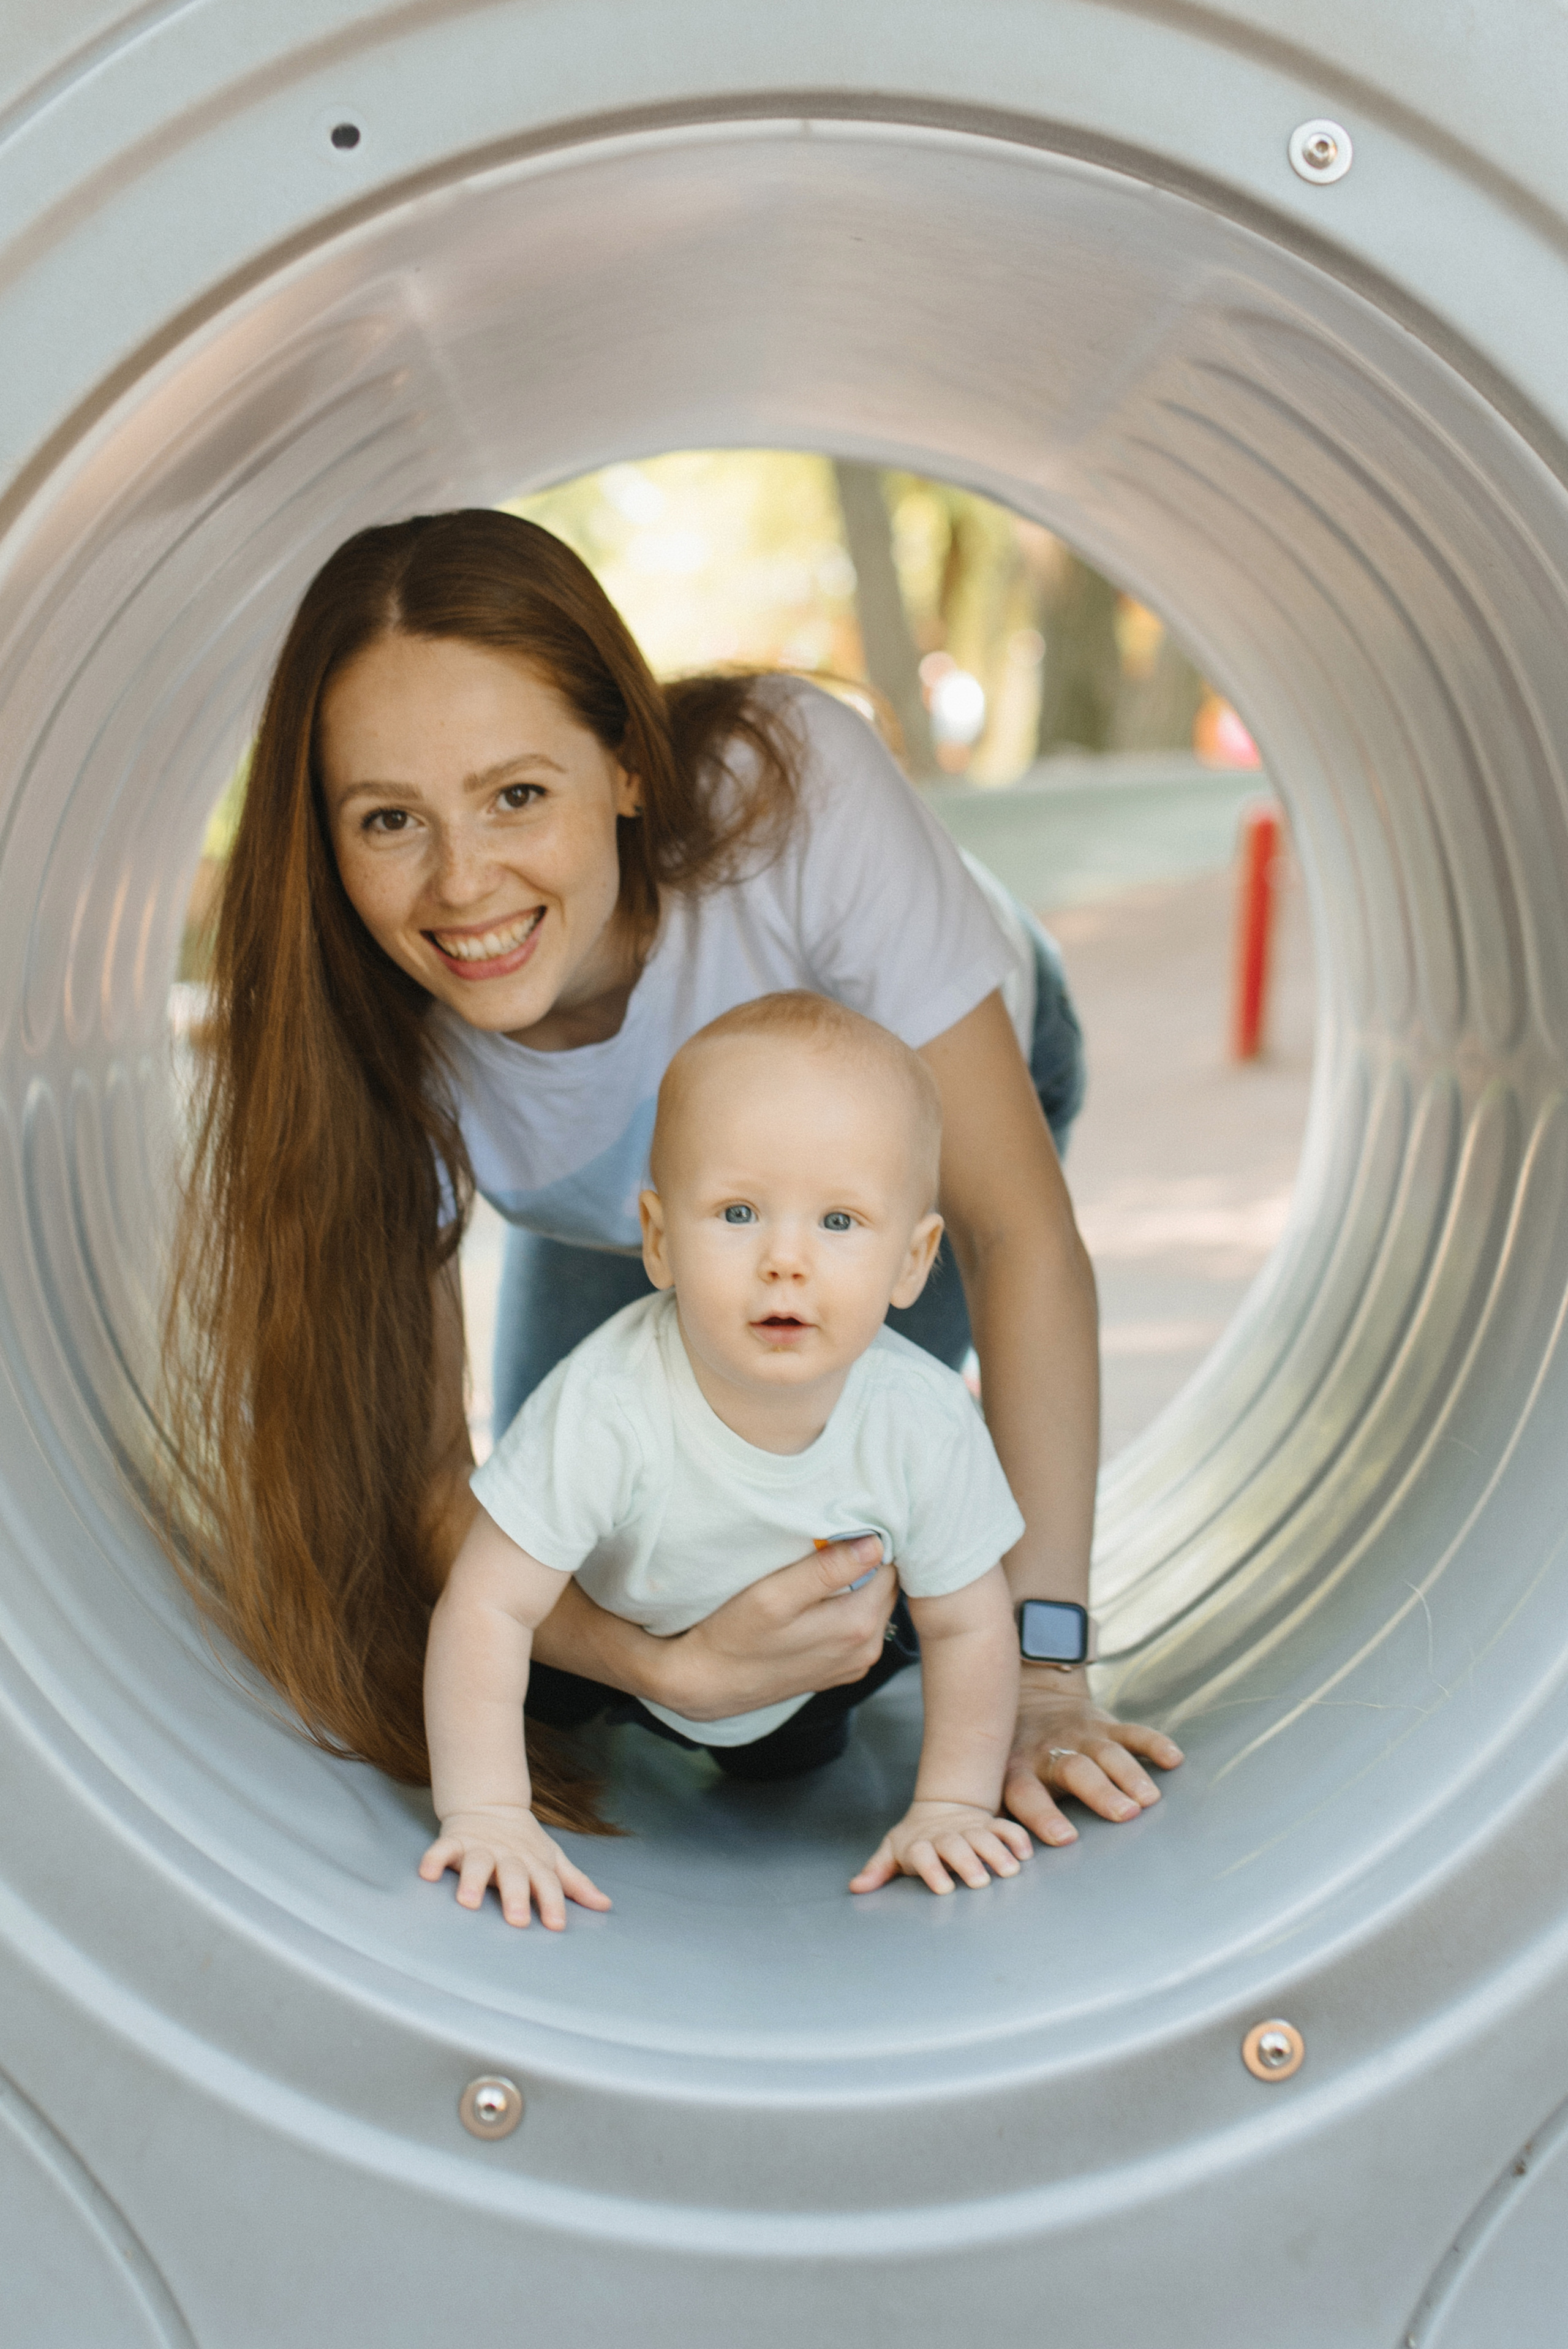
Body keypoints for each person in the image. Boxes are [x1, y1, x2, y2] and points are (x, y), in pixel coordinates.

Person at [162, 507, 1180, 1845]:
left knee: (764, 1502)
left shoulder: (789, 792)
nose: (462, 884)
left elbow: (1012, 1233)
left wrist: (1046, 1669)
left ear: (627, 768)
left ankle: (932, 1513)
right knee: (610, 1559)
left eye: (516, 794)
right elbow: (430, 1482)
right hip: (622, 1206)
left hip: (923, 1097)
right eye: (389, 818)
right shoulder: (355, 1026)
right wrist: (656, 1665)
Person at [421, 993, 1035, 1926]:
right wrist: (489, 1811)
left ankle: (776, 1752)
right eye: (739, 1211)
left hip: (800, 1675)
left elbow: (971, 1624)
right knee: (544, 1711)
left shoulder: (923, 1419)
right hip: (603, 1637)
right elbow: (490, 1602)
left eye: (839, 1222)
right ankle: (555, 1756)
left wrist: (951, 1803)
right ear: (661, 1240)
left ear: (913, 1262)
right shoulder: (609, 1401)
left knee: (782, 1768)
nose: (785, 1259)